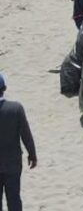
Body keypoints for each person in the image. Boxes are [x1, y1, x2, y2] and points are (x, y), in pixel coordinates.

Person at [0, 74, 37, 211]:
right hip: (13, 163)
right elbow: (26, 135)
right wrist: (32, 155)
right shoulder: (16, 108)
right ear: (4, 88)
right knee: (14, 198)